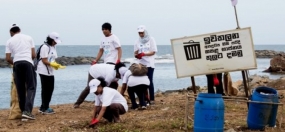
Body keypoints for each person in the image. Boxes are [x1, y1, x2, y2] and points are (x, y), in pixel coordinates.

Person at [5, 24, 37, 120]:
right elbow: (33, 55)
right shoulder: (28, 38)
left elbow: (7, 58)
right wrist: (28, 60)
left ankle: (23, 112)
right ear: (20, 30)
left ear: (11, 32)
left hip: (17, 64)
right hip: (27, 63)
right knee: (31, 87)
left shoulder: (9, 41)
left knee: (20, 89)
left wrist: (15, 63)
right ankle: (27, 111)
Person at [37, 32, 64, 114]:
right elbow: (44, 60)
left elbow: (52, 59)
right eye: (54, 41)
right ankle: (44, 108)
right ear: (51, 40)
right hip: (43, 71)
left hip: (50, 71)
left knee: (50, 88)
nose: (55, 42)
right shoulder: (45, 47)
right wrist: (52, 64)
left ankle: (45, 106)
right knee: (46, 89)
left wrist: (55, 65)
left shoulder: (53, 47)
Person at [134, 25, 157, 104]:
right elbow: (135, 52)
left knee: (149, 81)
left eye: (142, 33)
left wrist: (144, 54)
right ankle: (144, 98)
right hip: (141, 64)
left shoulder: (151, 39)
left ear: (145, 32)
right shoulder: (137, 41)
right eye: (139, 33)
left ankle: (152, 99)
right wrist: (137, 55)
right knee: (142, 82)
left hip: (149, 64)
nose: (141, 34)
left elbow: (153, 51)